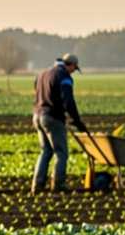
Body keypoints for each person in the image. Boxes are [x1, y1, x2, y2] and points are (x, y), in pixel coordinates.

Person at [32, 53, 88, 193]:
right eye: (74, 69)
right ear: (70, 65)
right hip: (52, 117)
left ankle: (37, 185)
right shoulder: (63, 76)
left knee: (45, 151)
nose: (73, 72)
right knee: (61, 152)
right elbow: (68, 101)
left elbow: (37, 92)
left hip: (37, 115)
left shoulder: (43, 74)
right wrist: (76, 120)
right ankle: (58, 184)